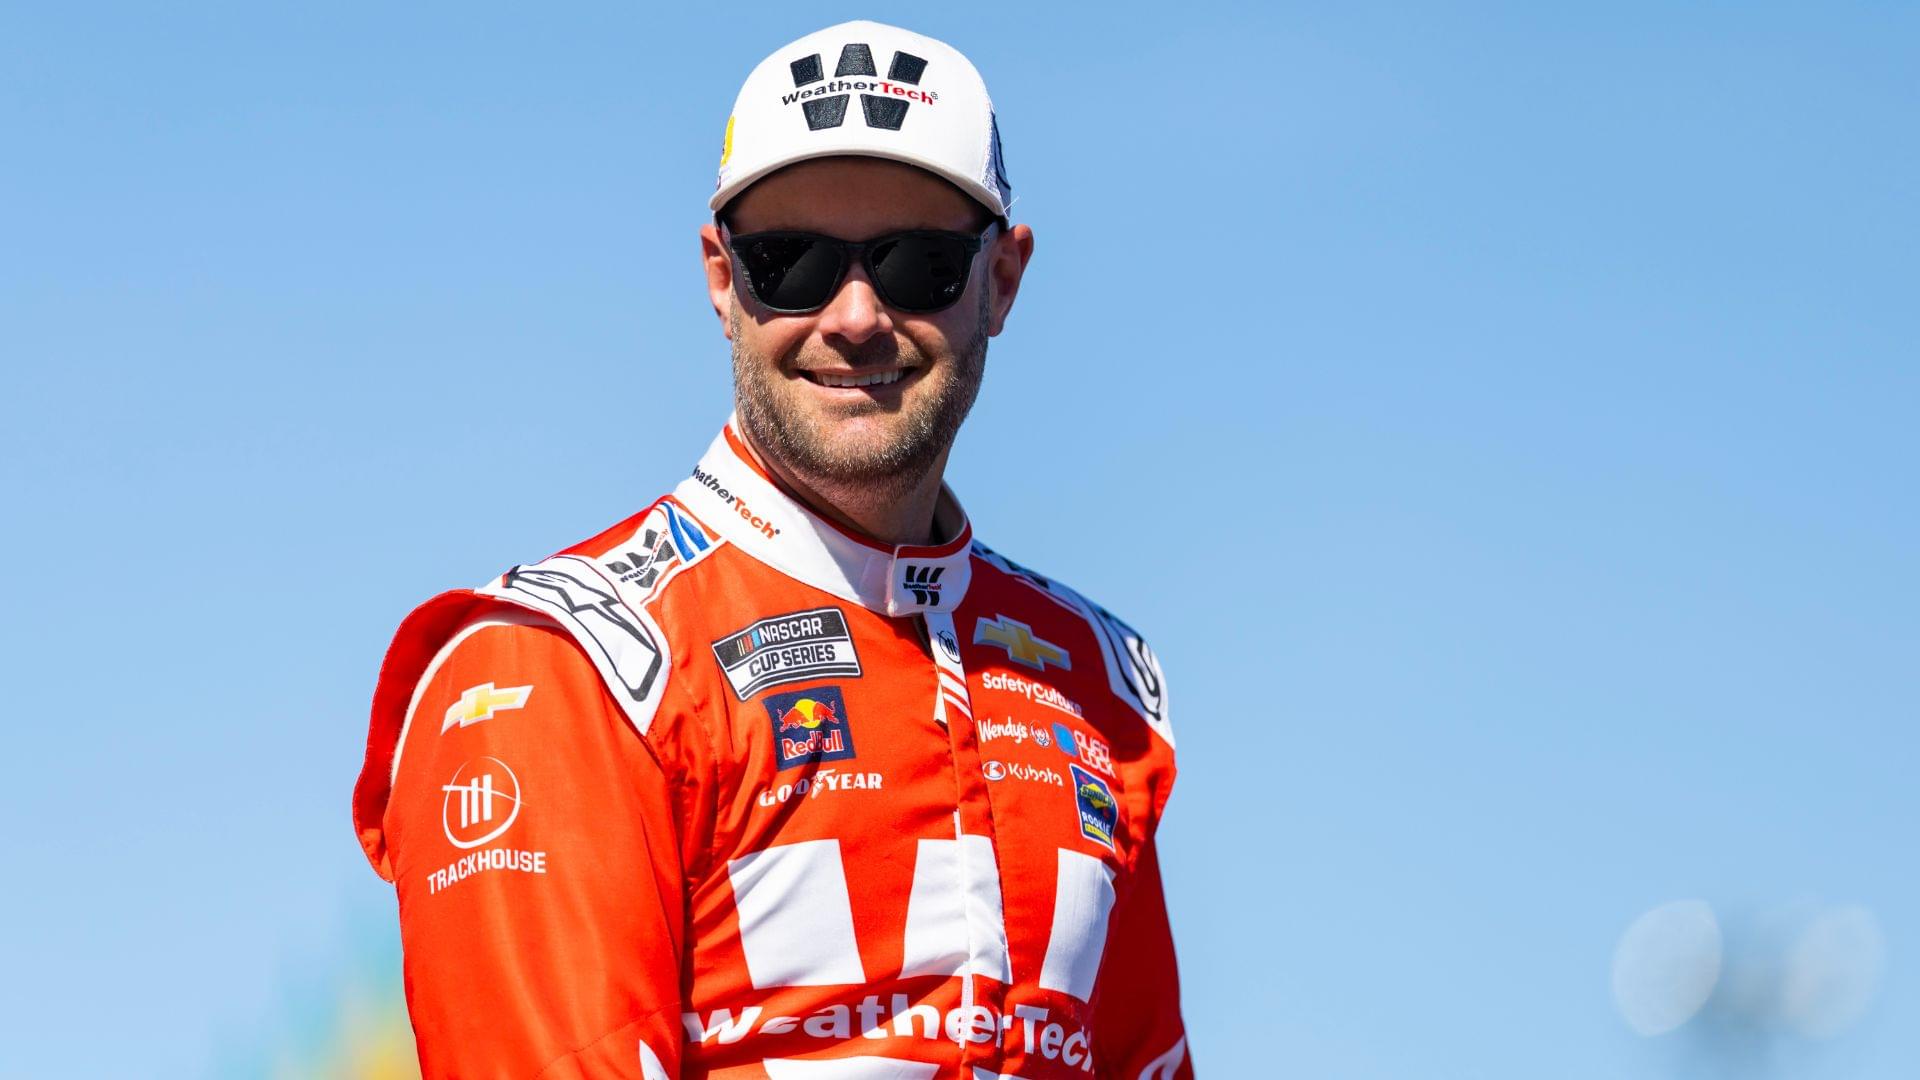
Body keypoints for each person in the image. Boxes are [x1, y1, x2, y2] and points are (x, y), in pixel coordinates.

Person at [351, 20, 1191, 1079]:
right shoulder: (563, 668)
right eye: (787, 262)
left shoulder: (1096, 682)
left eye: (917, 263)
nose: (853, 316)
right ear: (719, 276)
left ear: (1003, 282)